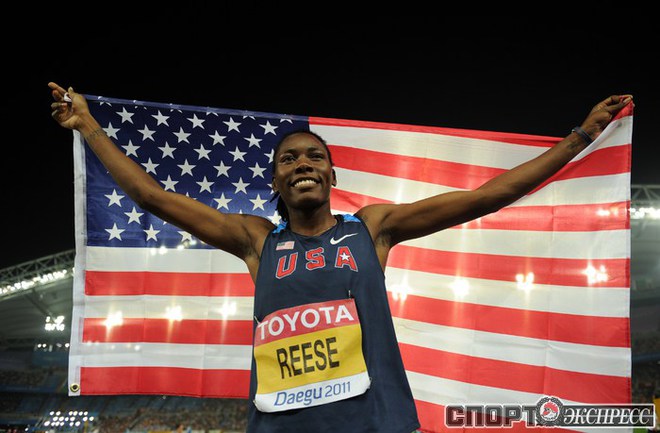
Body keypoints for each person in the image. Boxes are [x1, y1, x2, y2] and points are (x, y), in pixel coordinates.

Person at [49, 81, 632, 433]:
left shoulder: (372, 229)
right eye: (288, 159)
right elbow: (154, 198)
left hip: (376, 423)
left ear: (332, 175)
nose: (302, 163)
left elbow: (488, 196)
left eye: (314, 156)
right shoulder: (258, 241)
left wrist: (580, 136)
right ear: (275, 183)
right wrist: (89, 128)